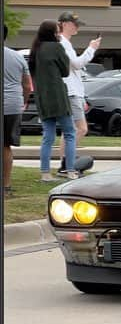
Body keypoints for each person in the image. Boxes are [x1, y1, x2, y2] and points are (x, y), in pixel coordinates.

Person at [28, 19, 75, 182]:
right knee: (69, 133)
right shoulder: (57, 47)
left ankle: (45, 173)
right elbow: (65, 71)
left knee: (48, 136)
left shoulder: (36, 49)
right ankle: (70, 170)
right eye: (57, 30)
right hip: (58, 96)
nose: (58, 33)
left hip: (43, 97)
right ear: (53, 33)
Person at [56, 11, 101, 175]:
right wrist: (91, 49)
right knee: (81, 128)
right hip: (71, 91)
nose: (77, 28)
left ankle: (65, 163)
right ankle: (67, 163)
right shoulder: (63, 43)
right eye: (75, 24)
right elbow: (76, 64)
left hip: (70, 90)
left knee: (69, 130)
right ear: (64, 24)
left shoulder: (63, 42)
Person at [4, 24, 32, 196]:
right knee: (5, 146)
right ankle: (6, 186)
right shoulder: (17, 56)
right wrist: (24, 101)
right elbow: (27, 84)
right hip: (13, 105)